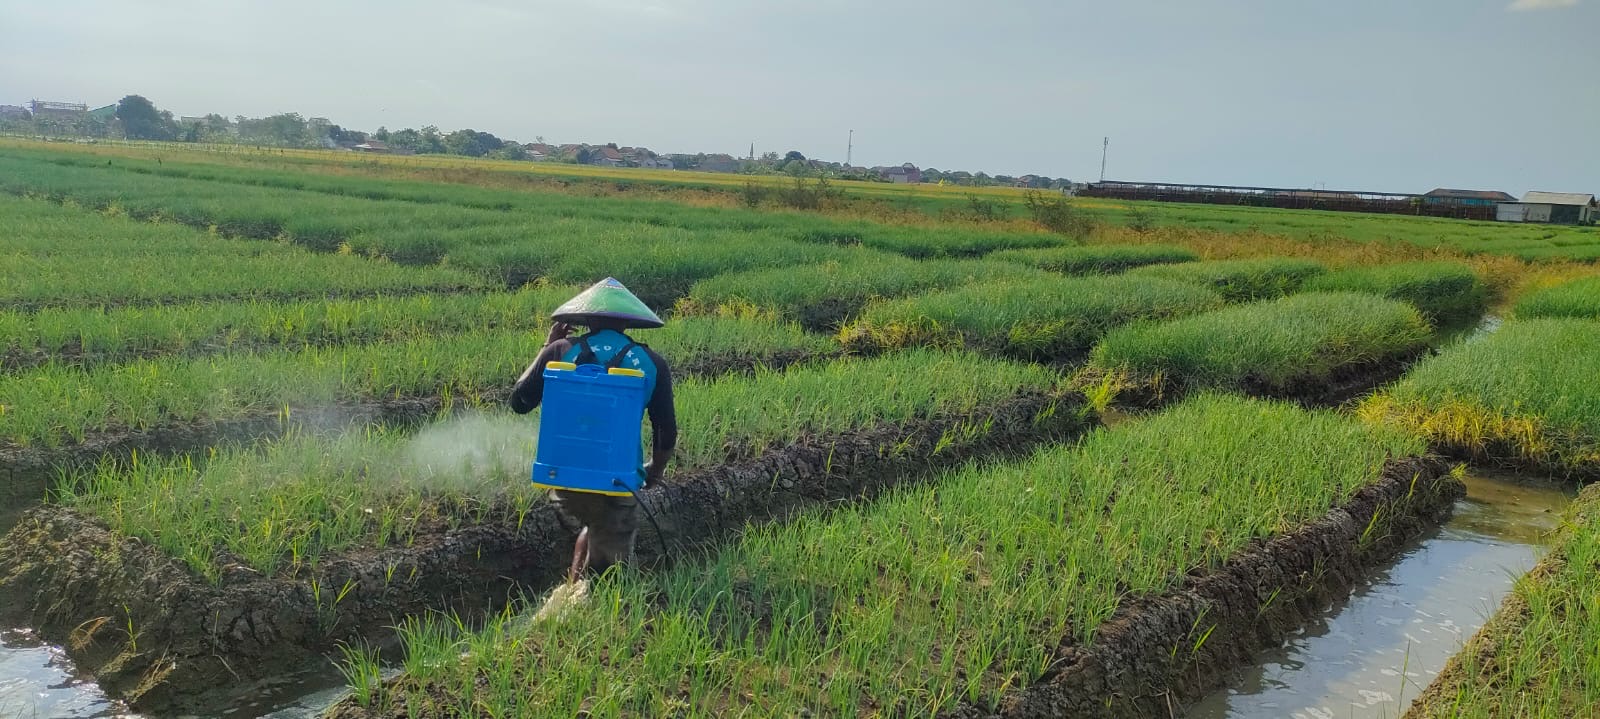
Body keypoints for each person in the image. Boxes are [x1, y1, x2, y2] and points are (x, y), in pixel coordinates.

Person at [510, 278, 677, 581]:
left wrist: (547, 347)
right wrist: (655, 471)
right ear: (628, 322)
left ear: (586, 318)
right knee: (609, 573)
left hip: (563, 478)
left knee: (594, 523)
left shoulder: (561, 349)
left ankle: (570, 592)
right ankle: (580, 614)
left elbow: (519, 401)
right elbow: (666, 431)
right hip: (616, 480)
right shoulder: (653, 363)